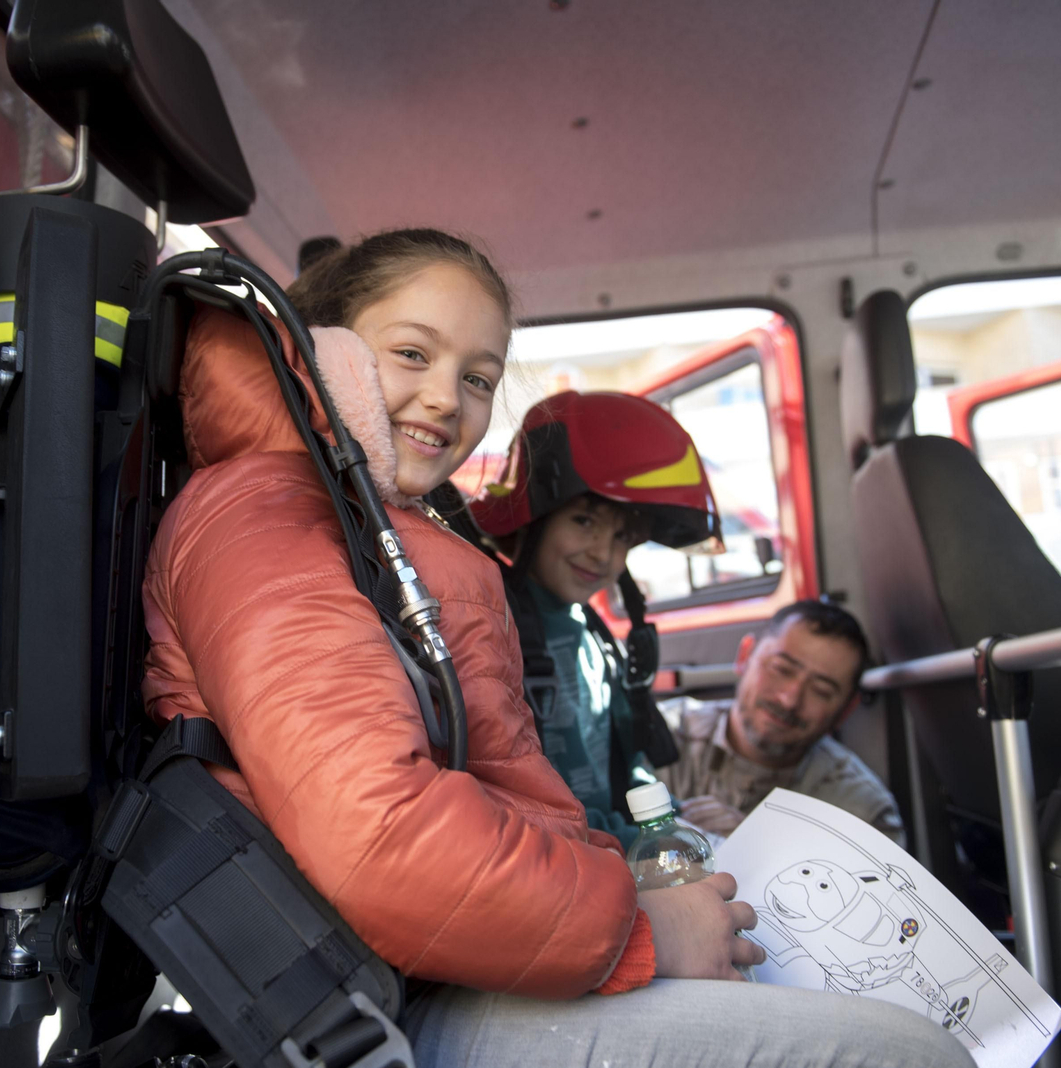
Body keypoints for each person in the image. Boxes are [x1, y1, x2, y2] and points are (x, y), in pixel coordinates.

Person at [139, 228, 973, 1067]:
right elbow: (380, 842)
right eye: (410, 354)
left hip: (436, 960)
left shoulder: (363, 525)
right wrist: (639, 929)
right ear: (318, 343)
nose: (442, 398)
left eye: (475, 379)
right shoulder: (268, 518)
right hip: (368, 1003)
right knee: (916, 1054)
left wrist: (633, 881)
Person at [464, 390, 724, 851]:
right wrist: (647, 843)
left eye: (622, 535)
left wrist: (671, 822)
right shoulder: (494, 630)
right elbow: (534, 805)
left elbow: (625, 764)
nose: (604, 553)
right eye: (584, 521)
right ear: (534, 518)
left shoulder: (595, 637)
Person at [659, 601, 908, 847]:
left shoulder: (861, 811)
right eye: (781, 669)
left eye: (821, 691)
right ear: (745, 656)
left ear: (846, 710)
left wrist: (761, 851)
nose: (790, 699)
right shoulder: (657, 735)